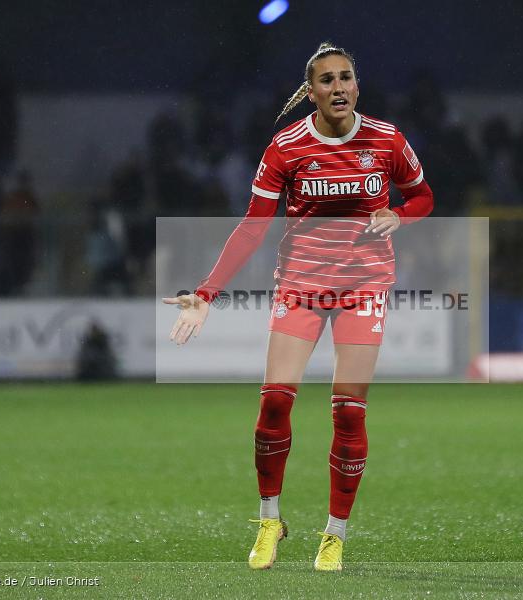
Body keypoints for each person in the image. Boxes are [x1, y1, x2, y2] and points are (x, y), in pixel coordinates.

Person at [163, 42, 434, 572]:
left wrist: (402, 216)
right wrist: (207, 292)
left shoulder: (386, 140)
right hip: (301, 285)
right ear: (310, 91)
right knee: (275, 405)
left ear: (358, 85)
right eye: (327, 80)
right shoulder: (286, 147)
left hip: (364, 286)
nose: (338, 87)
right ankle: (270, 521)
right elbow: (253, 225)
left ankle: (334, 535)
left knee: (349, 410)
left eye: (346, 78)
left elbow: (423, 196)